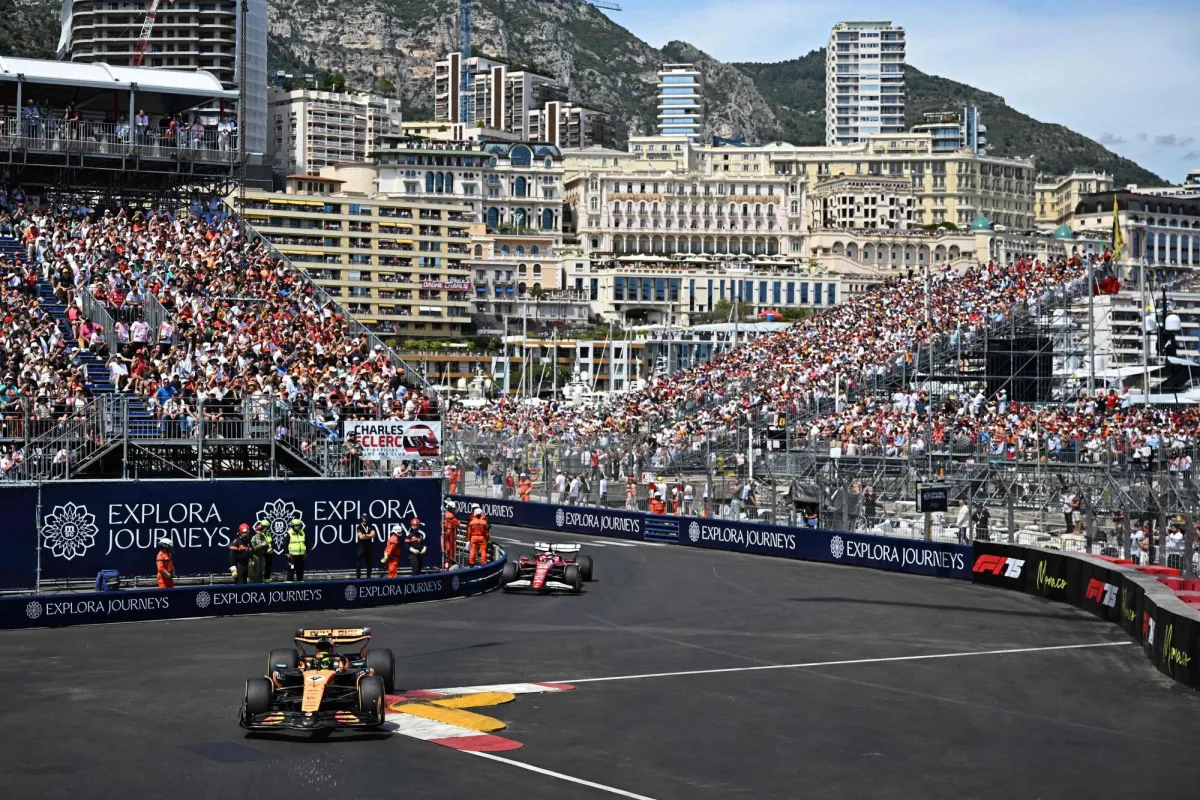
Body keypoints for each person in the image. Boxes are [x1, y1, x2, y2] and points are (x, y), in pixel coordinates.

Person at [355, 514, 377, 579]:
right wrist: (369, 535)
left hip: (369, 546)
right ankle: (358, 576)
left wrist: (365, 535)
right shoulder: (359, 526)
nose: (365, 518)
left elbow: (373, 535)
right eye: (364, 517)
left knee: (369, 562)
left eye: (366, 517)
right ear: (361, 518)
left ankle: (368, 576)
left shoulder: (371, 526)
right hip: (361, 546)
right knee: (359, 562)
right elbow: (361, 537)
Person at [442, 499, 461, 569]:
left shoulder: (444, 515)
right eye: (453, 508)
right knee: (449, 551)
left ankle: (446, 565)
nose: (455, 510)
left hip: (445, 535)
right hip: (450, 535)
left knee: (446, 550)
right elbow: (458, 523)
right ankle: (448, 566)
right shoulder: (451, 517)